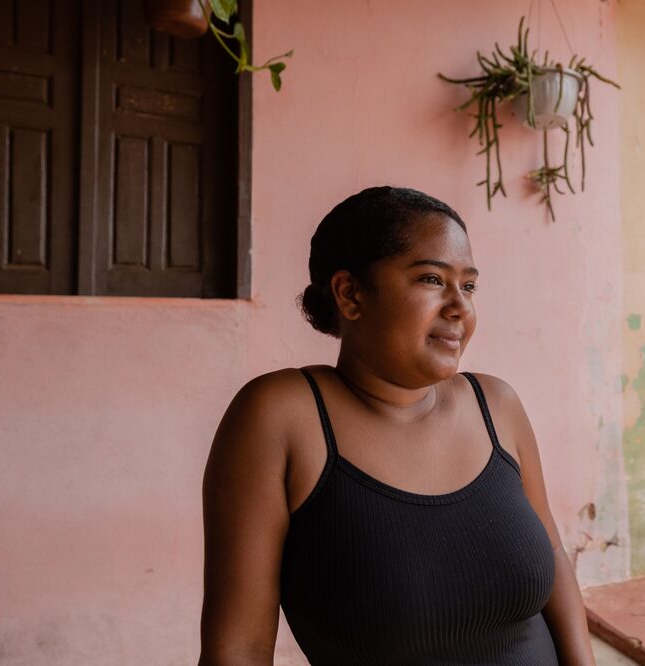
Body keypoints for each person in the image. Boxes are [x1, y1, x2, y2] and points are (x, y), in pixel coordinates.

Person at [198, 186, 597, 665]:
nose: (460, 307)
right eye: (432, 279)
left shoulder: (496, 405)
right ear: (350, 293)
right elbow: (239, 648)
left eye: (468, 286)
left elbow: (552, 556)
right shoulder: (282, 417)